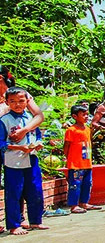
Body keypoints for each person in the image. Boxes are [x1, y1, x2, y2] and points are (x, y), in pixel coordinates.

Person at [0, 87, 48, 234]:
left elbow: (37, 135)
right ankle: (14, 225)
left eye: (21, 101)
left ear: (27, 101)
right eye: (13, 101)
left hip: (31, 159)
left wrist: (38, 143)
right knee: (14, 193)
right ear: (7, 102)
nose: (17, 104)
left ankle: (35, 220)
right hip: (13, 162)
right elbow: (1, 143)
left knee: (35, 190)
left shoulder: (30, 119)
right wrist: (18, 148)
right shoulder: (4, 120)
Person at [64, 104, 101, 215]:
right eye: (83, 114)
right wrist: (68, 158)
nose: (86, 116)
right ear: (75, 116)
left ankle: (84, 202)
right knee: (75, 184)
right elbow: (66, 146)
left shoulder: (87, 129)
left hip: (87, 162)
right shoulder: (71, 130)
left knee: (87, 183)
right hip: (76, 163)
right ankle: (74, 205)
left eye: (87, 114)